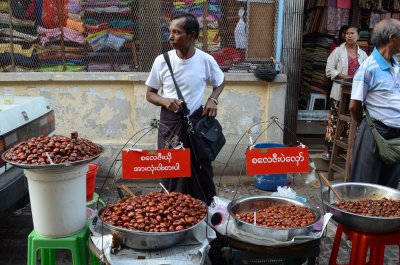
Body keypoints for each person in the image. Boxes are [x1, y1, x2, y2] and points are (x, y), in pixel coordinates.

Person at [145, 13, 225, 205]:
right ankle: (172, 211)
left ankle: (205, 211)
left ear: (192, 35)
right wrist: (164, 101)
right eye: (170, 32)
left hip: (195, 124)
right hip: (170, 124)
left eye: (177, 32)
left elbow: (220, 82)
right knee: (170, 168)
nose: (170, 37)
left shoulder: (206, 60)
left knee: (201, 167)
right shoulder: (162, 60)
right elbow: (150, 94)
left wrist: (213, 99)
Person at [349, 18, 400, 188]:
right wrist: (367, 127)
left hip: (396, 136)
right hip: (374, 133)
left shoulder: (396, 66)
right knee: (364, 187)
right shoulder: (368, 68)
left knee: (389, 188)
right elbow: (354, 106)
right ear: (393, 38)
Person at [322, 26, 368, 161]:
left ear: (358, 36)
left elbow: (366, 71)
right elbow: (329, 70)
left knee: (351, 122)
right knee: (334, 120)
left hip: (356, 93)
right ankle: (326, 149)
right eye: (347, 33)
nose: (349, 36)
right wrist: (345, 76)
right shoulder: (337, 51)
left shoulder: (363, 55)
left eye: (352, 33)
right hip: (339, 92)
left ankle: (345, 151)